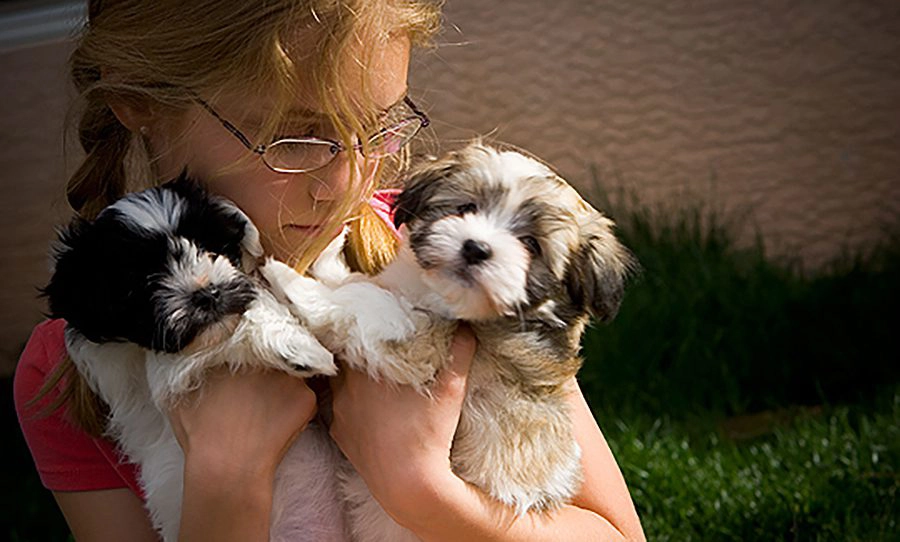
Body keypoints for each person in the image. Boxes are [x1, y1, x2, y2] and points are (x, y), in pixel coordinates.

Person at [13, 0, 646, 540]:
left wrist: (420, 487)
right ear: (138, 102)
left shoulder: (429, 253)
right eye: (295, 137)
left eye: (379, 126)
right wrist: (226, 477)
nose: (344, 181)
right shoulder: (67, 374)